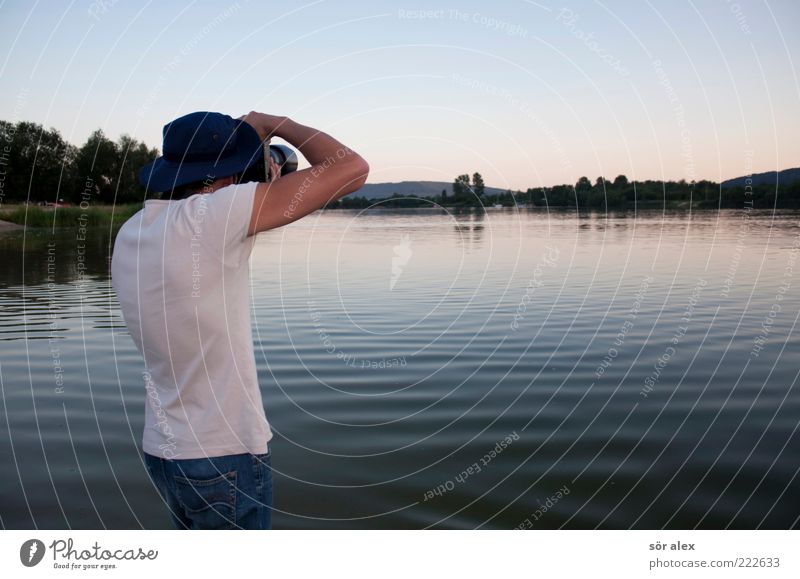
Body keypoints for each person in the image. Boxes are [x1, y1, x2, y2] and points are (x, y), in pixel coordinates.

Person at [111, 111, 369, 529]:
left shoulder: (134, 230)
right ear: (227, 174)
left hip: (165, 450)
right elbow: (351, 169)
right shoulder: (214, 216)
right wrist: (276, 123)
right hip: (222, 454)